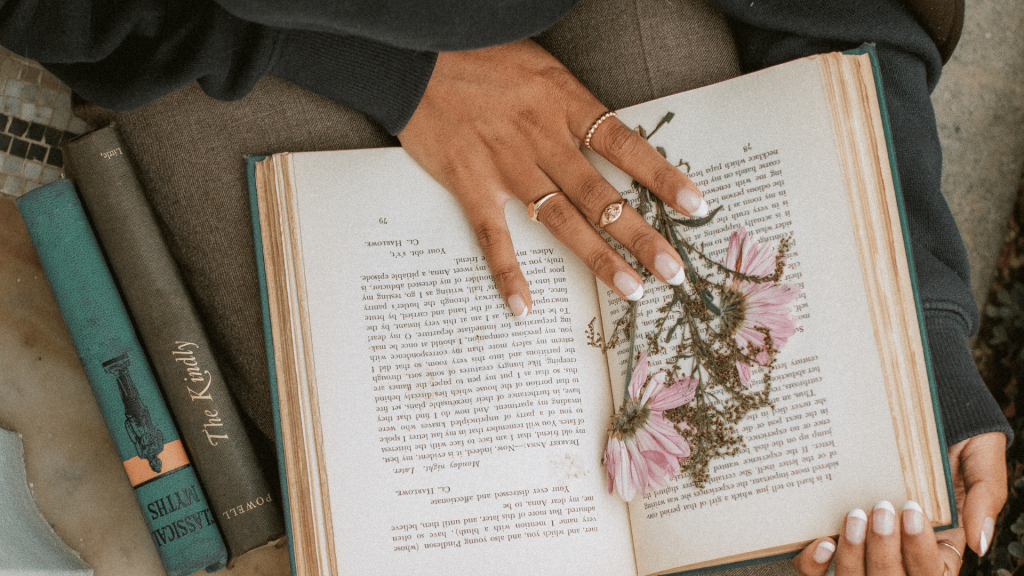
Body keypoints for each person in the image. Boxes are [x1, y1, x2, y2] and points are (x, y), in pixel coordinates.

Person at [2, 1, 1010, 574]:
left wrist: (914, 324)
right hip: (242, 30)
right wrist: (411, 75)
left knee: (810, 532)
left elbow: (850, 14)